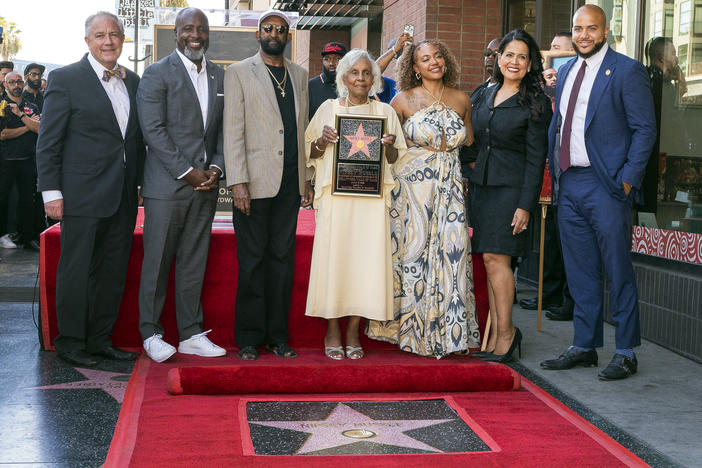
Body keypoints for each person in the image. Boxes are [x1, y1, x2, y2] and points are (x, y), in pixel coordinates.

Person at [540, 5, 656, 380]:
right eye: (578, 28)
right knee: (580, 271)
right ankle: (584, 344)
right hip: (570, 182)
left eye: (592, 28)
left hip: (607, 185)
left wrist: (627, 179)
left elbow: (644, 130)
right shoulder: (568, 69)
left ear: (606, 31)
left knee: (617, 269)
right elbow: (560, 124)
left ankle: (625, 351)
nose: (584, 35)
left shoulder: (627, 70)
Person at [35, 11, 145, 367]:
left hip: (124, 195)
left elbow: (134, 139)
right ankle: (71, 343)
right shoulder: (66, 78)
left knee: (112, 271)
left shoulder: (134, 81)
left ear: (123, 39)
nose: (108, 41)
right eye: (100, 35)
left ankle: (100, 340)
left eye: (114, 34)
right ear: (87, 41)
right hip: (80, 195)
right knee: (77, 270)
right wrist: (51, 191)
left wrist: (139, 184)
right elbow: (49, 141)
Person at [366, 41, 480, 358]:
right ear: (414, 67)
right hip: (411, 188)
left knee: (452, 255)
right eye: (425, 58)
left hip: (451, 186)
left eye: (438, 56)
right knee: (413, 255)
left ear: (447, 61)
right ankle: (410, 332)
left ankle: (451, 335)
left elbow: (468, 141)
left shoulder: (462, 99)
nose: (433, 62)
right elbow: (392, 149)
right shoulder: (401, 100)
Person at [136, 7, 226, 363]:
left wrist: (216, 167)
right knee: (156, 262)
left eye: (201, 30)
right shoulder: (157, 73)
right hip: (167, 186)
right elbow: (153, 131)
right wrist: (187, 171)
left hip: (205, 186)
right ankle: (150, 332)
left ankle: (190, 333)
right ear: (175, 33)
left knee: (193, 261)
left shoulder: (220, 75)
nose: (195, 35)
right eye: (188, 29)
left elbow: (221, 131)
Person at [304, 49, 406, 360]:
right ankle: (332, 329)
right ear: (344, 78)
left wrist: (387, 145)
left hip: (371, 202)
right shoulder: (328, 108)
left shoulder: (385, 112)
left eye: (366, 73)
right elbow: (312, 152)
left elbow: (395, 160)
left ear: (374, 78)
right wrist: (322, 140)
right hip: (337, 200)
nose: (360, 78)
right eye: (354, 73)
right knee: (336, 262)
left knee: (365, 265)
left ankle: (352, 331)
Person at [224, 9, 314, 361]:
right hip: (254, 183)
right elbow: (232, 131)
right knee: (252, 262)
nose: (274, 33)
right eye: (268, 28)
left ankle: (278, 336)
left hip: (289, 184)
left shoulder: (300, 74)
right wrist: (238, 182)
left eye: (281, 29)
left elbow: (302, 129)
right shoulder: (239, 72)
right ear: (257, 34)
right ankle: (248, 338)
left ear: (288, 36)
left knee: (282, 262)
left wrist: (305, 178)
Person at [469, 30, 552, 363]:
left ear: (530, 63)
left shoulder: (536, 102)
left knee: (496, 261)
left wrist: (524, 206)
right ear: (498, 58)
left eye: (522, 56)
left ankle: (507, 334)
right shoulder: (483, 93)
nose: (514, 62)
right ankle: (493, 335)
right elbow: (471, 139)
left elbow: (536, 159)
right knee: (489, 262)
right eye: (508, 55)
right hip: (481, 189)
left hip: (511, 192)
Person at [0, 72, 41, 251]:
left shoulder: (30, 106)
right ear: (5, 85)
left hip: (27, 160)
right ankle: (3, 235)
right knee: (3, 200)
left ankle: (27, 237)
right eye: (12, 82)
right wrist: (28, 126)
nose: (16, 85)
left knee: (27, 200)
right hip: (5, 161)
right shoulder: (2, 106)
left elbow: (40, 129)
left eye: (18, 82)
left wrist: (26, 122)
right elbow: (3, 134)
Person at [308, 41, 347, 120]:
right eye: (327, 59)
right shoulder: (310, 86)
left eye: (337, 59)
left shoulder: (352, 85)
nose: (331, 63)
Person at [375, 32, 413, 104]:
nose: (406, 67)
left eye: (409, 62)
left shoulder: (423, 87)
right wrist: (395, 49)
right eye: (402, 65)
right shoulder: (390, 86)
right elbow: (373, 73)